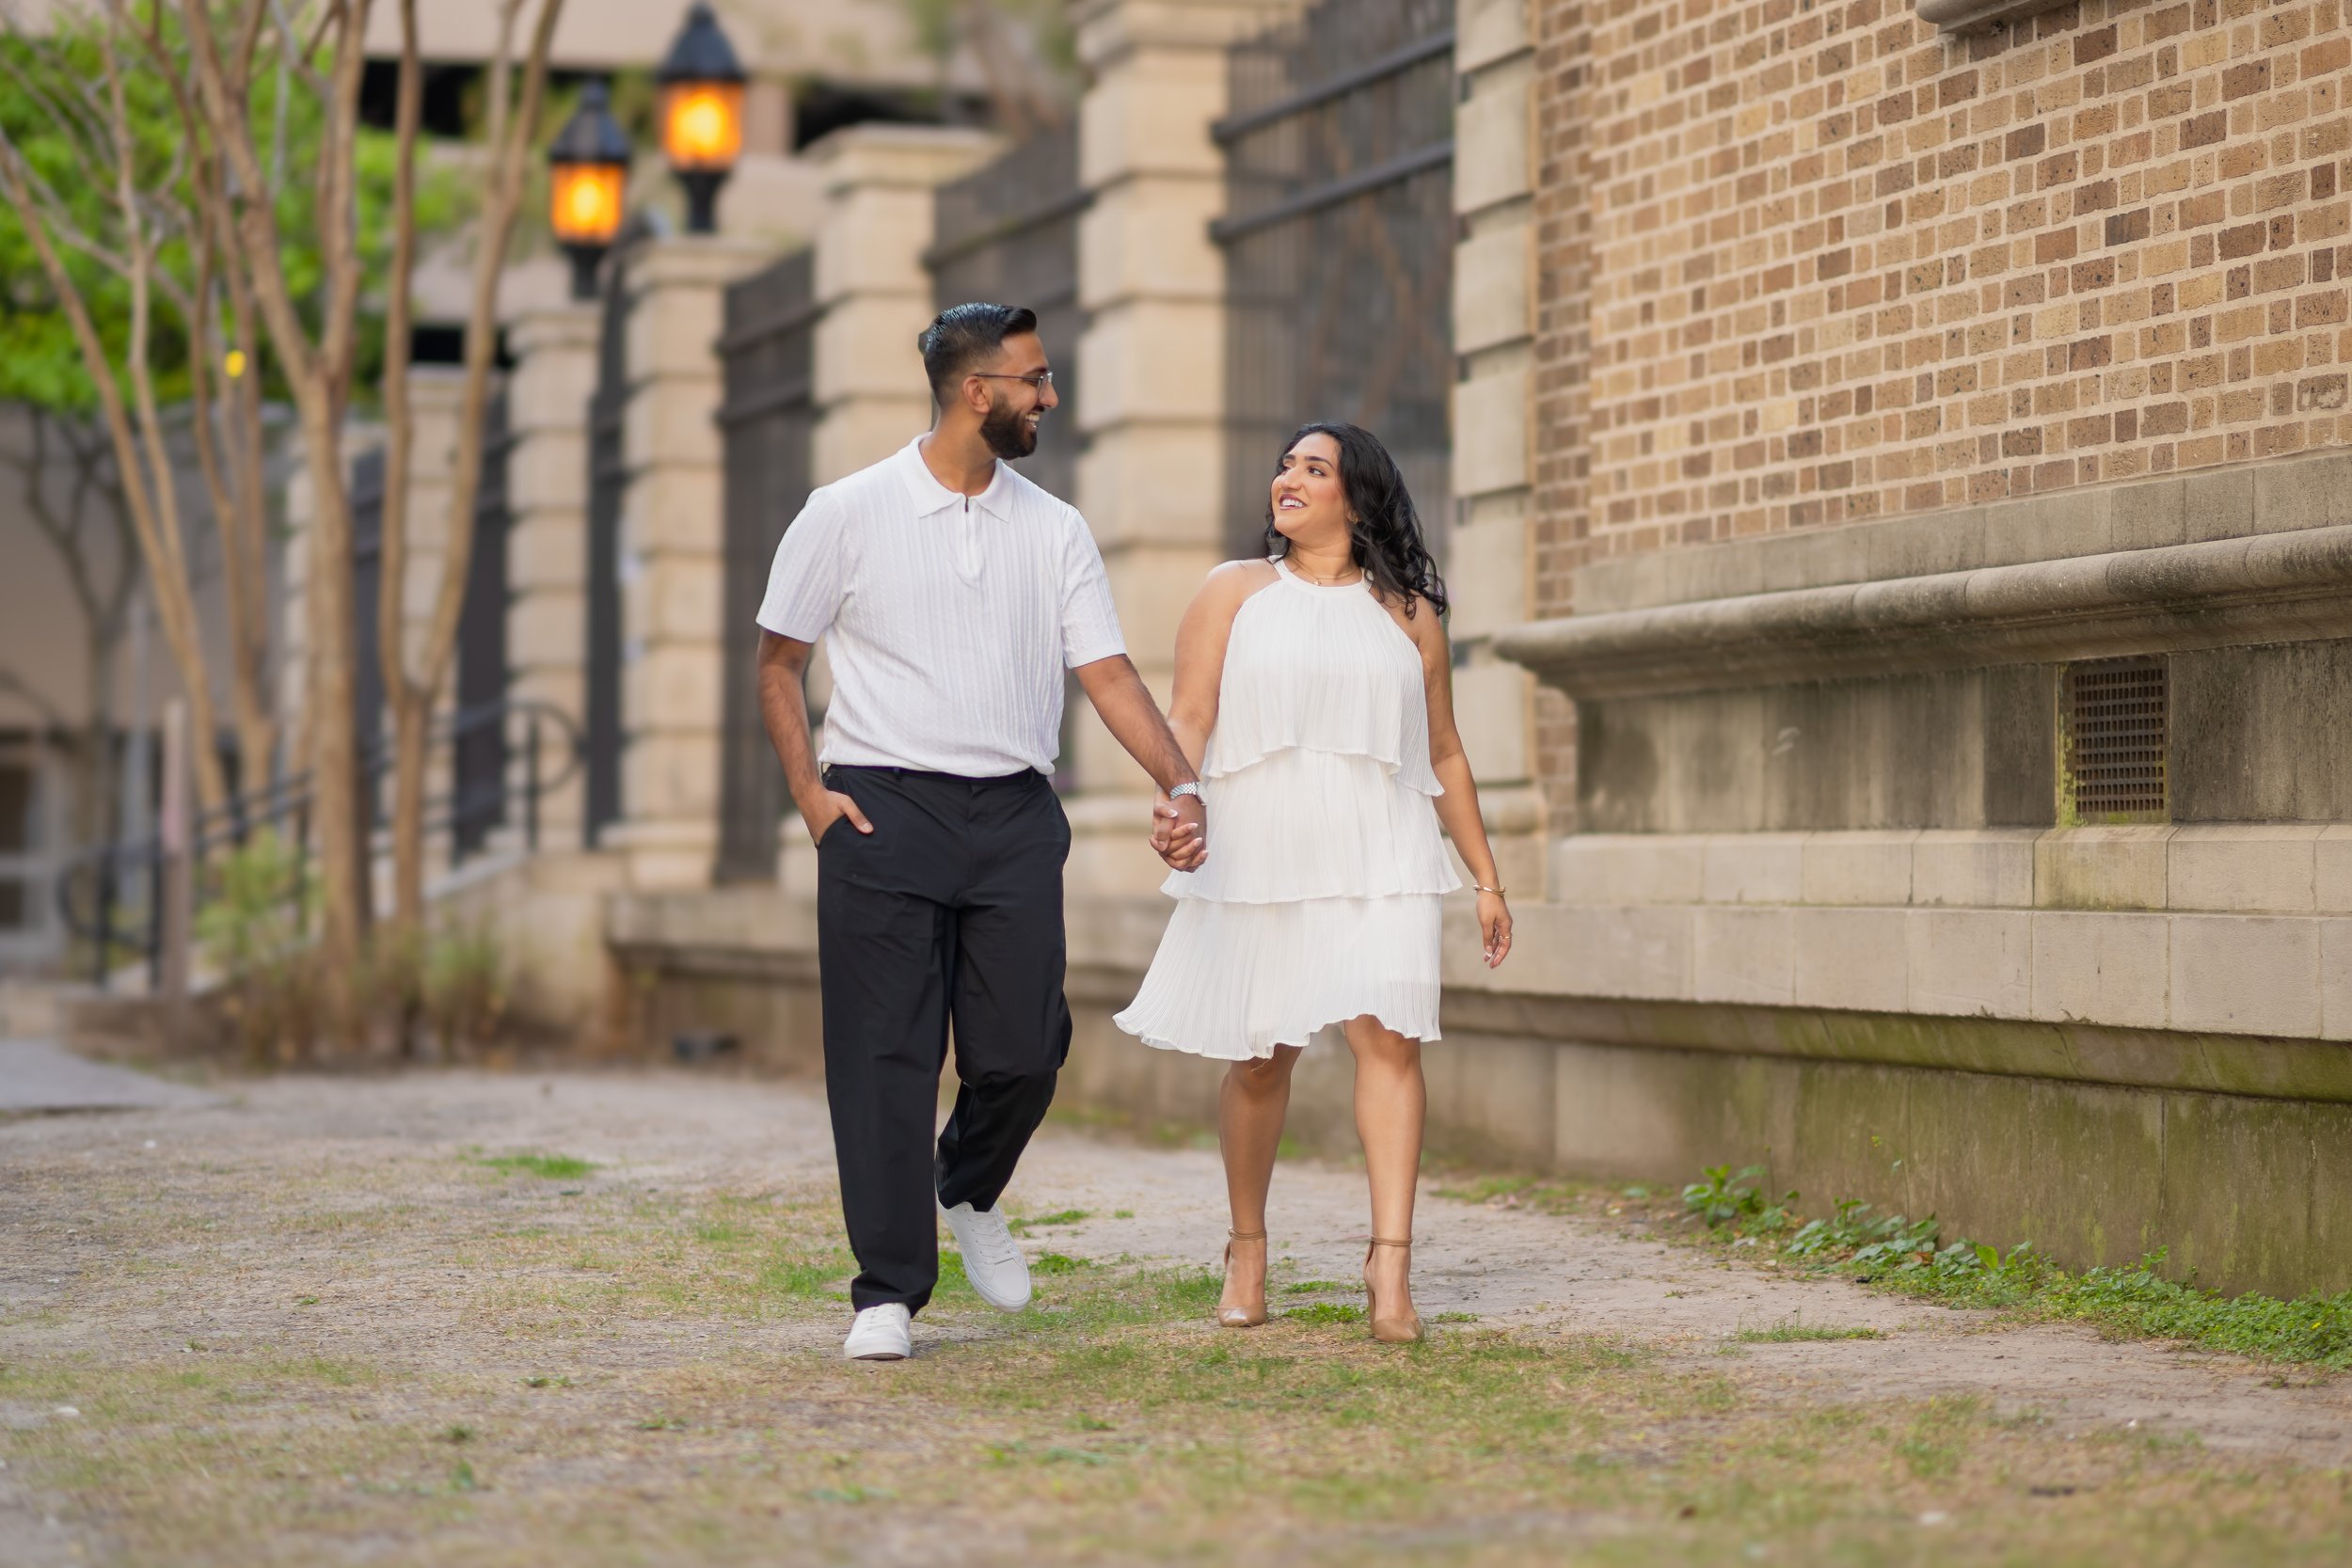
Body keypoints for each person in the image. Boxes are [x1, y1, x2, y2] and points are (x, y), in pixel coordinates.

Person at [755, 303, 1206, 1362]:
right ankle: (887, 1291)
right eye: (1034, 379)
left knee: (1023, 1051)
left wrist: (1182, 784)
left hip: (1011, 812)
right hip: (881, 807)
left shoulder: (1053, 527)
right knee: (884, 1057)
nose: (1050, 396)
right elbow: (779, 661)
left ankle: (966, 1185)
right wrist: (813, 798)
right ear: (977, 392)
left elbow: (1104, 671)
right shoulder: (847, 510)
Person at [1113, 421, 1513, 1343]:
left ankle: (1390, 1264)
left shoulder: (1409, 613)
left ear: (1356, 497)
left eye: (1314, 467)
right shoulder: (1233, 591)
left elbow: (1444, 750)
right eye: (1286, 463)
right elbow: (1191, 713)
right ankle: (1246, 1246)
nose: (1288, 477)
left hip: (1382, 847)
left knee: (1391, 1045)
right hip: (1263, 850)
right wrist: (1179, 802)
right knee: (1259, 1057)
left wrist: (1485, 876)